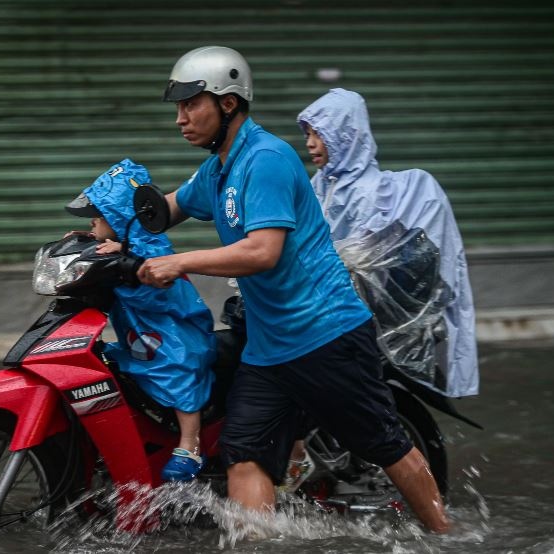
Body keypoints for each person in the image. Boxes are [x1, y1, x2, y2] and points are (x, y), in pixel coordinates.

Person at [137, 46, 450, 532]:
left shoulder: (266, 159)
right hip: (269, 351)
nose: (180, 119)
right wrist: (103, 229)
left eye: (190, 105)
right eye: (177, 108)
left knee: (383, 442)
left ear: (228, 104)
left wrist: (179, 262)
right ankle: (255, 544)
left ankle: (448, 536)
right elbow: (168, 208)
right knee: (244, 454)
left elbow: (263, 252)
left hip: (325, 336)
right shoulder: (219, 168)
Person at [296, 88, 479, 398]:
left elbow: (362, 258)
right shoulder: (320, 184)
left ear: (344, 134)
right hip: (323, 308)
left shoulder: (370, 191)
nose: (310, 143)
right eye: (308, 134)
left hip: (352, 317)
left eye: (320, 133)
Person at [65, 158, 217, 482]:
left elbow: (150, 278)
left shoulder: (151, 249)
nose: (92, 222)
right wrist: (84, 244)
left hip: (175, 334)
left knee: (181, 372)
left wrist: (128, 258)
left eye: (98, 216)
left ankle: (190, 444)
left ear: (120, 219)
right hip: (143, 336)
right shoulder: (120, 244)